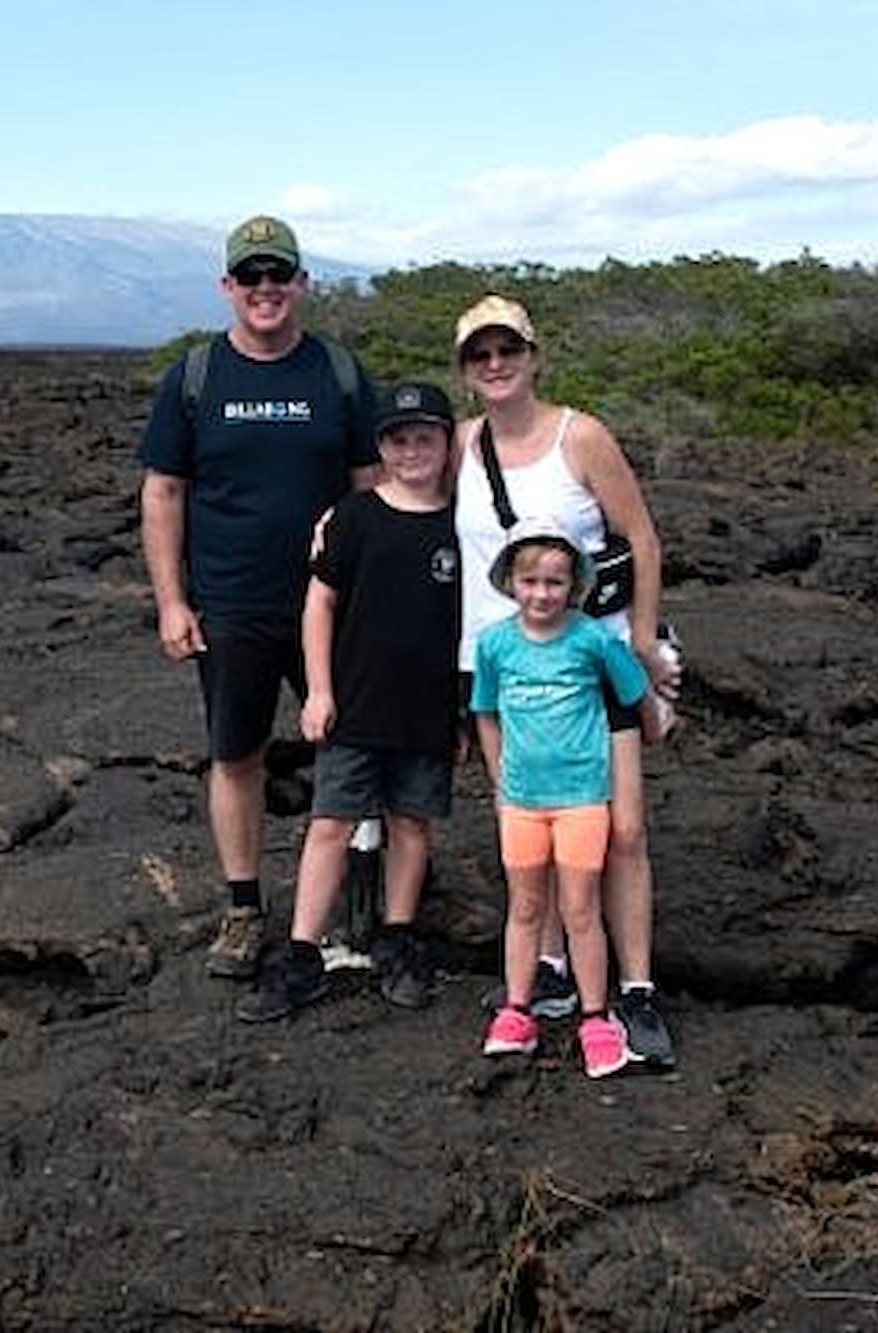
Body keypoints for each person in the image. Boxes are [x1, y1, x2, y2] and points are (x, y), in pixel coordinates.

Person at [138, 215, 379, 980]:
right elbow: (164, 491)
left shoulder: (338, 374)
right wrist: (172, 601)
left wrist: (377, 598)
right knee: (235, 753)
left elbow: (371, 490)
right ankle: (244, 908)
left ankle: (352, 901)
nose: (267, 289)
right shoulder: (196, 377)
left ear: (302, 283)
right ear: (228, 288)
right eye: (252, 277)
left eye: (280, 275)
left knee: (349, 747)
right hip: (231, 604)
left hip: (330, 606)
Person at [452, 294, 683, 1067]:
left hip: (592, 662)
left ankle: (637, 987)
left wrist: (644, 642)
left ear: (533, 355)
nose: (495, 364)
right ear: (464, 369)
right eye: (479, 354)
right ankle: (550, 971)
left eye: (506, 350)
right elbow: (401, 494)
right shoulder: (459, 446)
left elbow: (640, 536)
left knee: (623, 829)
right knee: (531, 816)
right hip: (506, 668)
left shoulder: (580, 436)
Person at [236, 382, 461, 1022]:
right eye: (398, 438)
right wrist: (320, 689)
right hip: (355, 703)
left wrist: (466, 709)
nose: (412, 450)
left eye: (426, 437)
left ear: (448, 443)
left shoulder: (461, 524)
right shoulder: (356, 516)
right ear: (380, 446)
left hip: (428, 706)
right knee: (331, 822)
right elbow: (320, 602)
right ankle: (303, 951)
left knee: (412, 822)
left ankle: (397, 936)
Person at [469, 519, 652, 1077]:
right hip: (523, 800)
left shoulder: (592, 639)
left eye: (554, 583)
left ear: (573, 586)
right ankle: (517, 1011)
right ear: (511, 582)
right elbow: (486, 711)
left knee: (578, 909)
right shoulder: (495, 643)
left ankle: (596, 1018)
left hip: (582, 799)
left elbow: (633, 691)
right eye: (530, 582)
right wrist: (500, 781)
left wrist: (657, 720)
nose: (541, 594)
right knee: (525, 907)